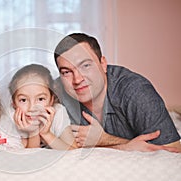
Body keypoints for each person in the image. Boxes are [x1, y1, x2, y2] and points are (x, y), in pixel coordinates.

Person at [53, 33, 181, 152]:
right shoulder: (55, 92)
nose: (77, 79)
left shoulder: (134, 90)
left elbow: (173, 150)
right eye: (66, 72)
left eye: (85, 66)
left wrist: (103, 140)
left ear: (103, 64)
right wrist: (124, 146)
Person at [9, 64, 77, 150]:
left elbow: (74, 151)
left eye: (40, 99)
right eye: (23, 100)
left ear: (51, 100)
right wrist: (33, 132)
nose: (32, 108)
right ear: (14, 103)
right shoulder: (11, 118)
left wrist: (46, 134)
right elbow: (29, 159)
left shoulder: (58, 112)